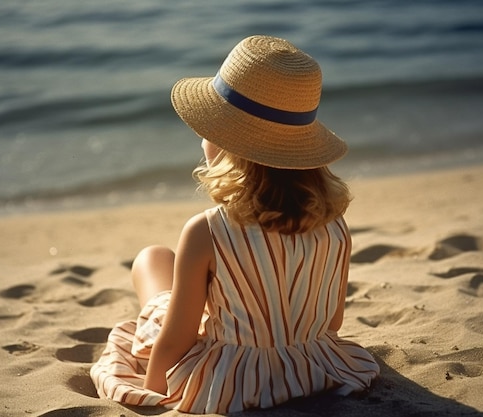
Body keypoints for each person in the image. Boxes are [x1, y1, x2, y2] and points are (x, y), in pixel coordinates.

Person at [90, 35, 379, 414]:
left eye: (209, 129)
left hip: (228, 380)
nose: (201, 138)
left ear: (231, 148)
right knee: (169, 267)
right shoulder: (334, 225)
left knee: (151, 259)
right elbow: (333, 322)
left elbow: (177, 339)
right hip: (314, 368)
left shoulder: (207, 231)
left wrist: (154, 387)